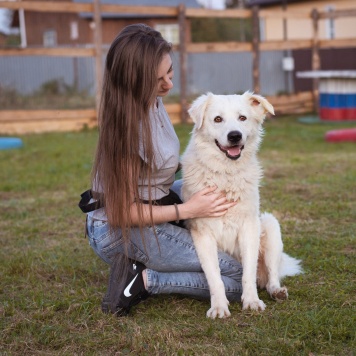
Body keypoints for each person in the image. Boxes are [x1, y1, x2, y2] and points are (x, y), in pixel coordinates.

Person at [82, 23, 243, 317]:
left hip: (156, 201)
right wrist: (188, 210)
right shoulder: (127, 130)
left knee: (217, 192)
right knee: (237, 277)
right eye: (158, 80)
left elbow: (158, 165)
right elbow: (122, 213)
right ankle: (142, 280)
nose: (168, 84)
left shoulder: (151, 99)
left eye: (169, 72)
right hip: (119, 230)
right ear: (134, 81)